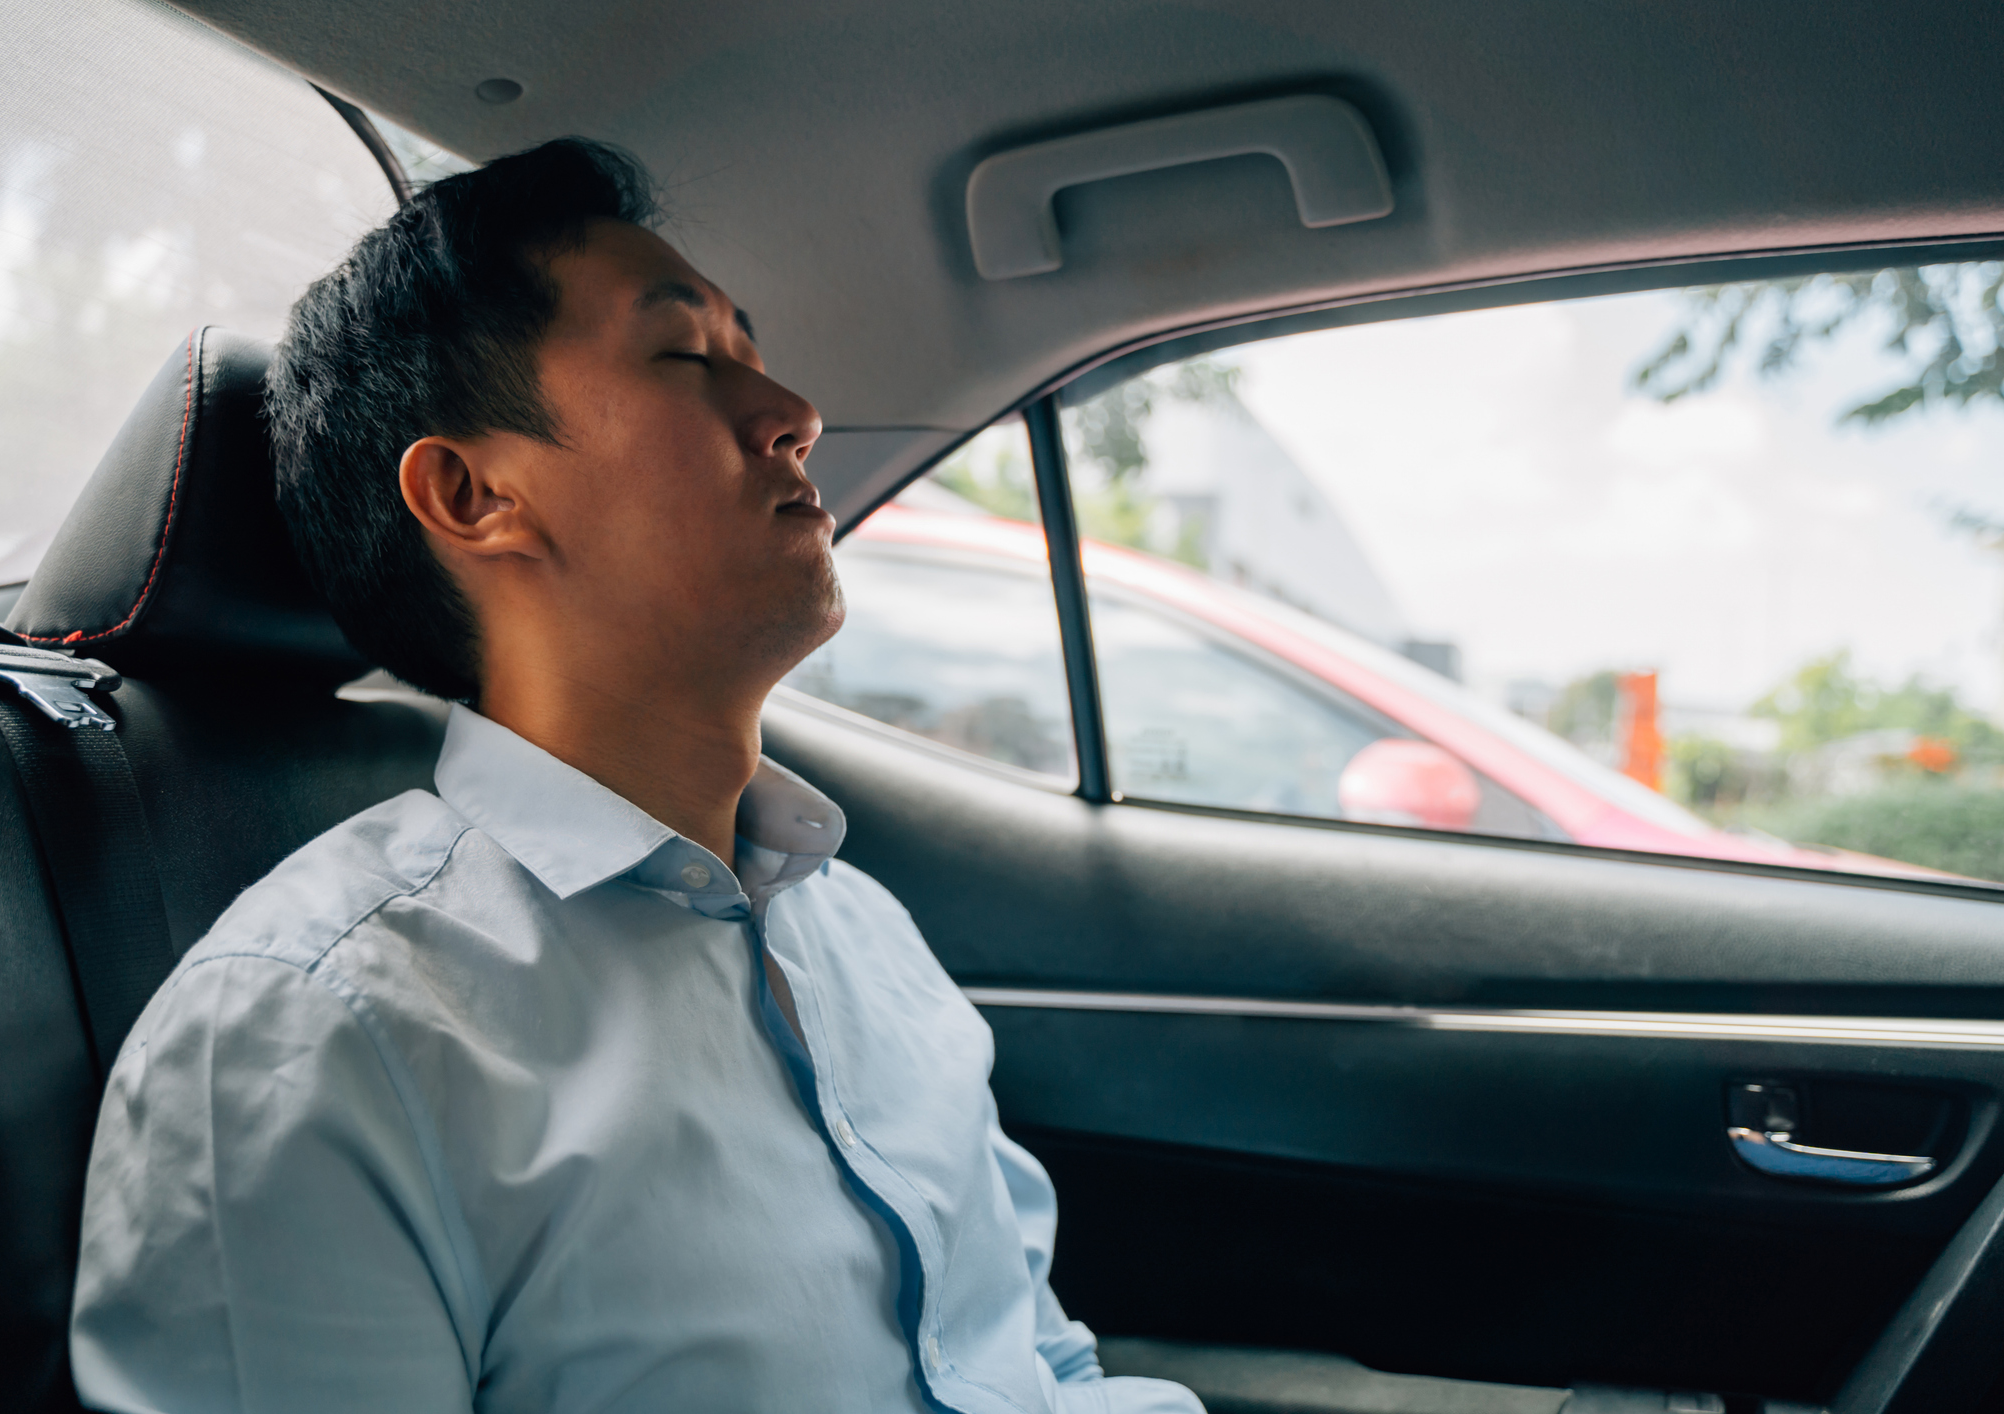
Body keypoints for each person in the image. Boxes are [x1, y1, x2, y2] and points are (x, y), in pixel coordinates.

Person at [68, 138, 1202, 1414]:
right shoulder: (313, 1032)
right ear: (471, 492)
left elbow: (1040, 1366)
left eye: (752, 349)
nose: (794, 412)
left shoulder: (862, 933)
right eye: (685, 356)